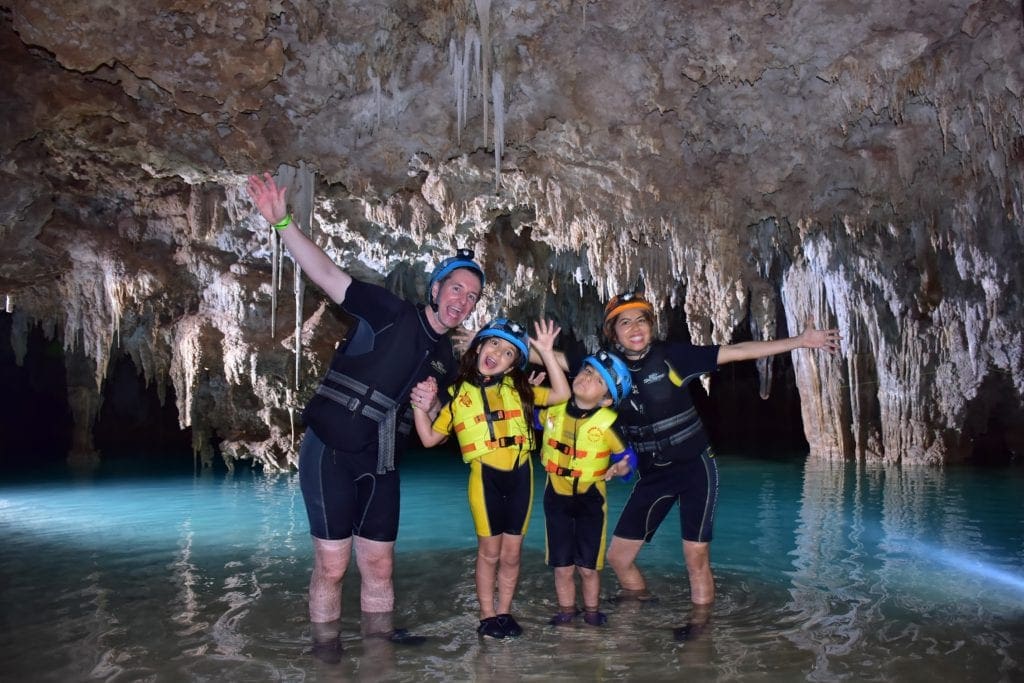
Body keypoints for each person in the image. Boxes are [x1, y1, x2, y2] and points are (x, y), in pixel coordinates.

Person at [246, 172, 485, 657]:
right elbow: (330, 275)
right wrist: (283, 223)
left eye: (473, 298)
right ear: (437, 288)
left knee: (379, 568)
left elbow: (431, 425)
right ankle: (325, 651)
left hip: (383, 466)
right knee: (332, 566)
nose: (462, 301)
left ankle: (378, 650)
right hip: (330, 452)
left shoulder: (445, 360)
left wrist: (432, 403)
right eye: (456, 289)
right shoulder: (389, 310)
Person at [596, 292, 840, 638]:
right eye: (625, 322)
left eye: (641, 320)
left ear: (651, 326)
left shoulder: (672, 357)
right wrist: (621, 463)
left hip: (695, 468)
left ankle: (699, 628)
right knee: (619, 557)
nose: (635, 328)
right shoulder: (608, 370)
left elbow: (736, 351)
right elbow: (580, 390)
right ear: (613, 332)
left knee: (695, 557)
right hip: (654, 475)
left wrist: (801, 342)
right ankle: (639, 605)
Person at [412, 317, 570, 639]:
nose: (498, 352)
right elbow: (429, 439)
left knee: (512, 554)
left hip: (521, 476)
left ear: (512, 366)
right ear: (479, 345)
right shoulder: (457, 396)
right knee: (489, 552)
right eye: (494, 343)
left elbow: (561, 393)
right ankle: (487, 615)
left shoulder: (520, 389)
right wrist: (419, 406)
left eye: (510, 352)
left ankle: (505, 611)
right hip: (485, 479)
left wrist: (546, 352)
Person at [539, 349, 637, 628]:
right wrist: (530, 394)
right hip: (555, 498)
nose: (586, 377)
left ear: (607, 398)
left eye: (598, 379)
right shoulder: (553, 409)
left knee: (588, 568)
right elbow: (527, 421)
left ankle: (592, 612)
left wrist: (622, 468)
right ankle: (567, 612)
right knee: (562, 567)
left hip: (590, 502)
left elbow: (628, 457)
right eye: (587, 370)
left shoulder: (608, 423)